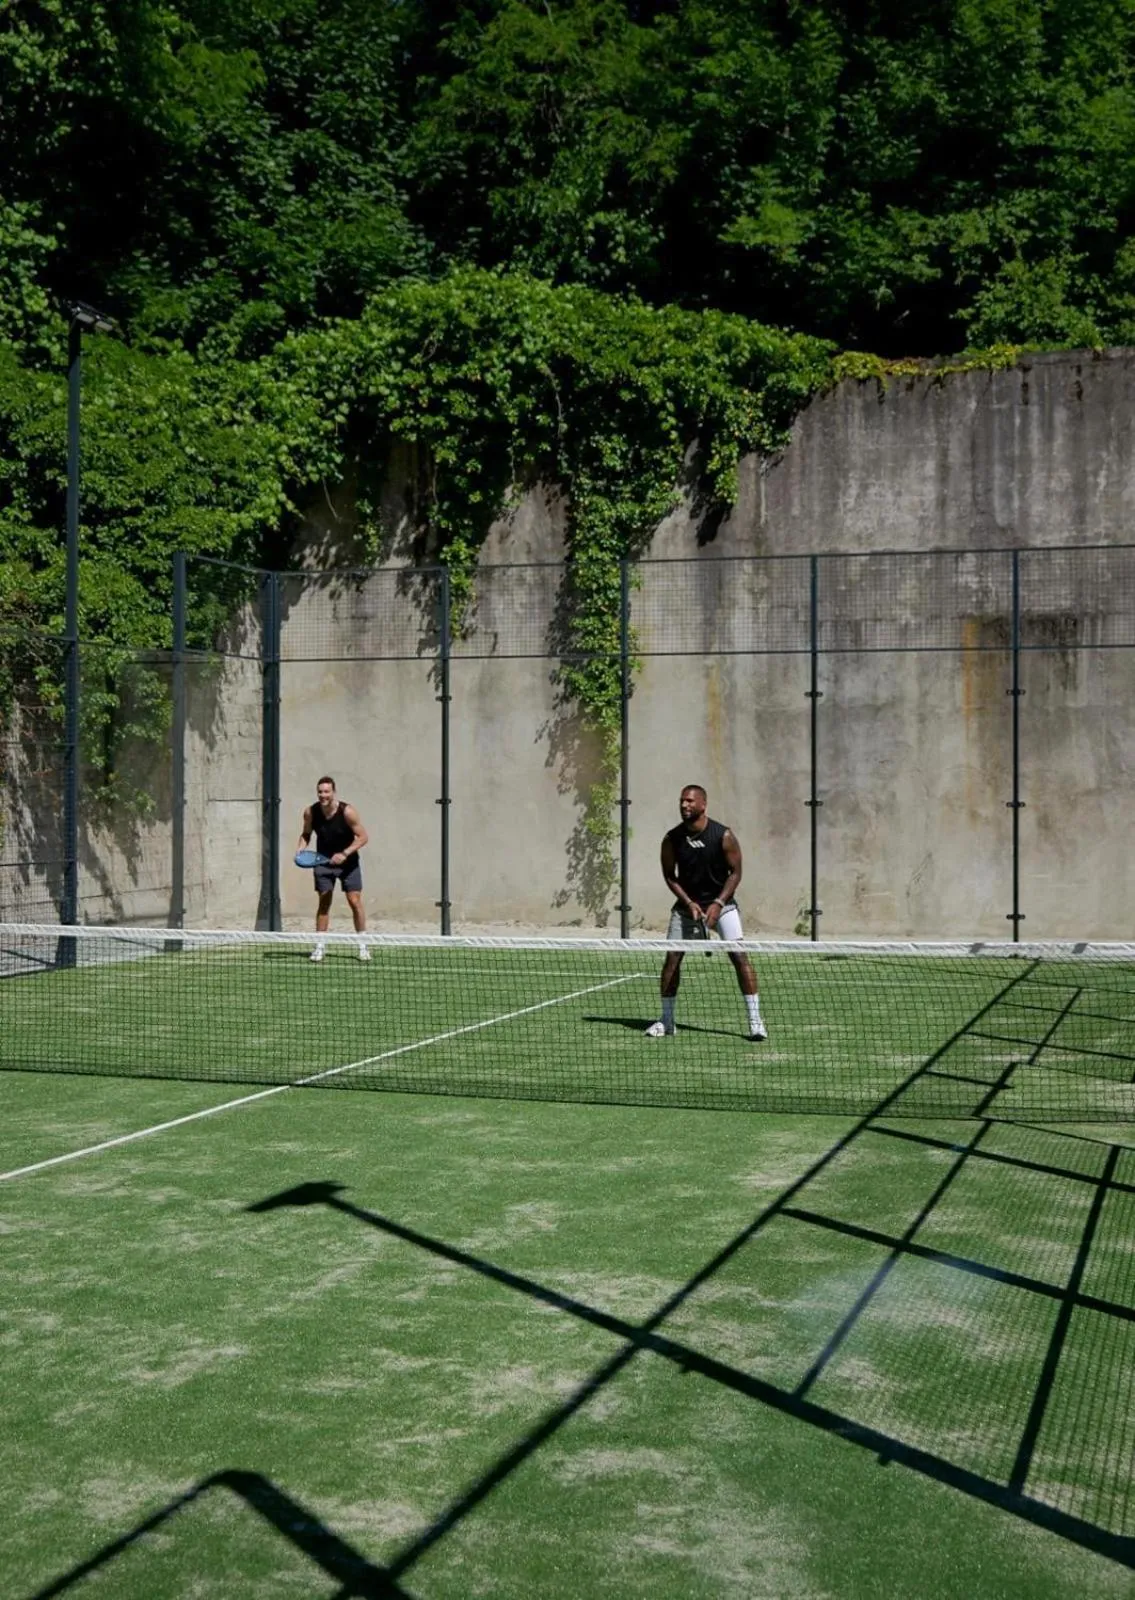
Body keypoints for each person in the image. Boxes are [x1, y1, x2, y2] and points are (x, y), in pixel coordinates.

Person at [645, 784, 767, 1041]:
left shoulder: (723, 836)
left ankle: (756, 1023)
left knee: (739, 958)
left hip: (723, 907)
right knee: (672, 961)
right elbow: (669, 875)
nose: (684, 805)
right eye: (681, 801)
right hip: (686, 908)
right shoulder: (671, 839)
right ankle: (667, 1021)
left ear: (703, 805)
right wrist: (689, 903)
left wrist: (719, 903)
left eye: (690, 801)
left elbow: (736, 872)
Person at [297, 776, 370, 962]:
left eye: (326, 791)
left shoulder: (347, 812)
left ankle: (363, 946)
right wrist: (300, 849)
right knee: (324, 902)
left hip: (348, 863)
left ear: (333, 792)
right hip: (323, 862)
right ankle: (320, 947)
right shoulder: (311, 812)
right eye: (320, 792)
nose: (323, 795)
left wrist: (345, 853)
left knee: (354, 901)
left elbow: (362, 837)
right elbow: (306, 834)